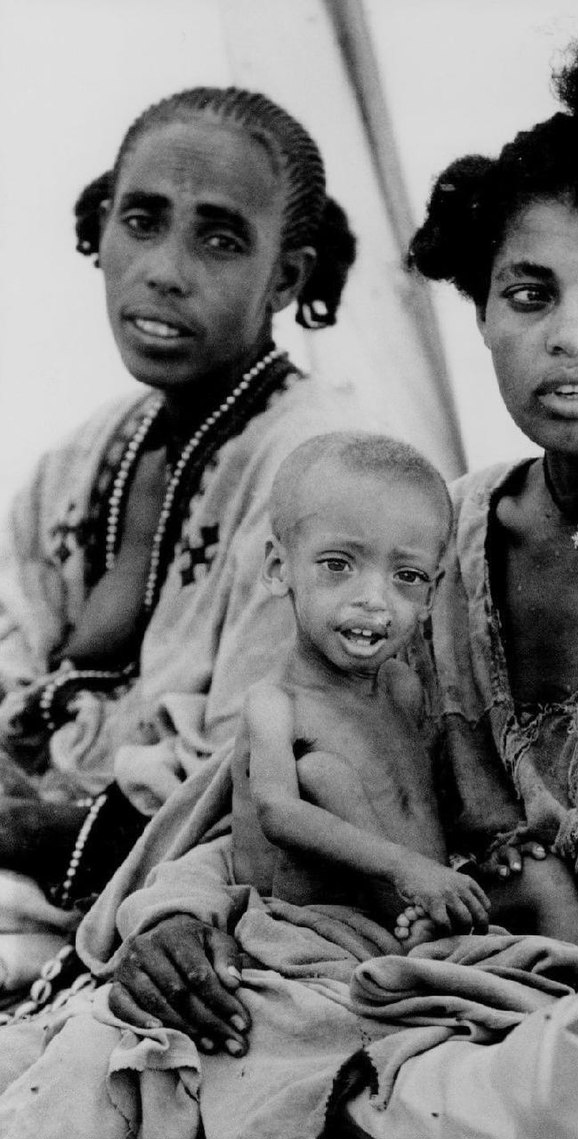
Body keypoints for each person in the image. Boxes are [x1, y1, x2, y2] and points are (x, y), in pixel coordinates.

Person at [0, 36, 578, 1139]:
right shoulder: (421, 540)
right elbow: (268, 781)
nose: (569, 331)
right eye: (527, 292)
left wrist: (549, 1021)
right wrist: (175, 916)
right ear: (479, 314)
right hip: (367, 987)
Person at [0, 84, 363, 999]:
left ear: (286, 278)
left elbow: (256, 781)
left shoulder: (322, 475)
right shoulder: (83, 455)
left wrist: (30, 828)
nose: (165, 269)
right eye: (142, 221)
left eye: (220, 238)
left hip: (166, 908)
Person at [232, 430, 578, 948]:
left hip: (426, 894)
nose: (374, 600)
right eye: (338, 565)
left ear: (432, 590)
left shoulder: (402, 686)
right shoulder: (275, 704)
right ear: (277, 568)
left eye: (407, 576)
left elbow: (424, 799)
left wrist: (483, 852)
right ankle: (418, 941)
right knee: (321, 773)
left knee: (547, 877)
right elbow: (277, 811)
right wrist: (406, 871)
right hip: (331, 923)